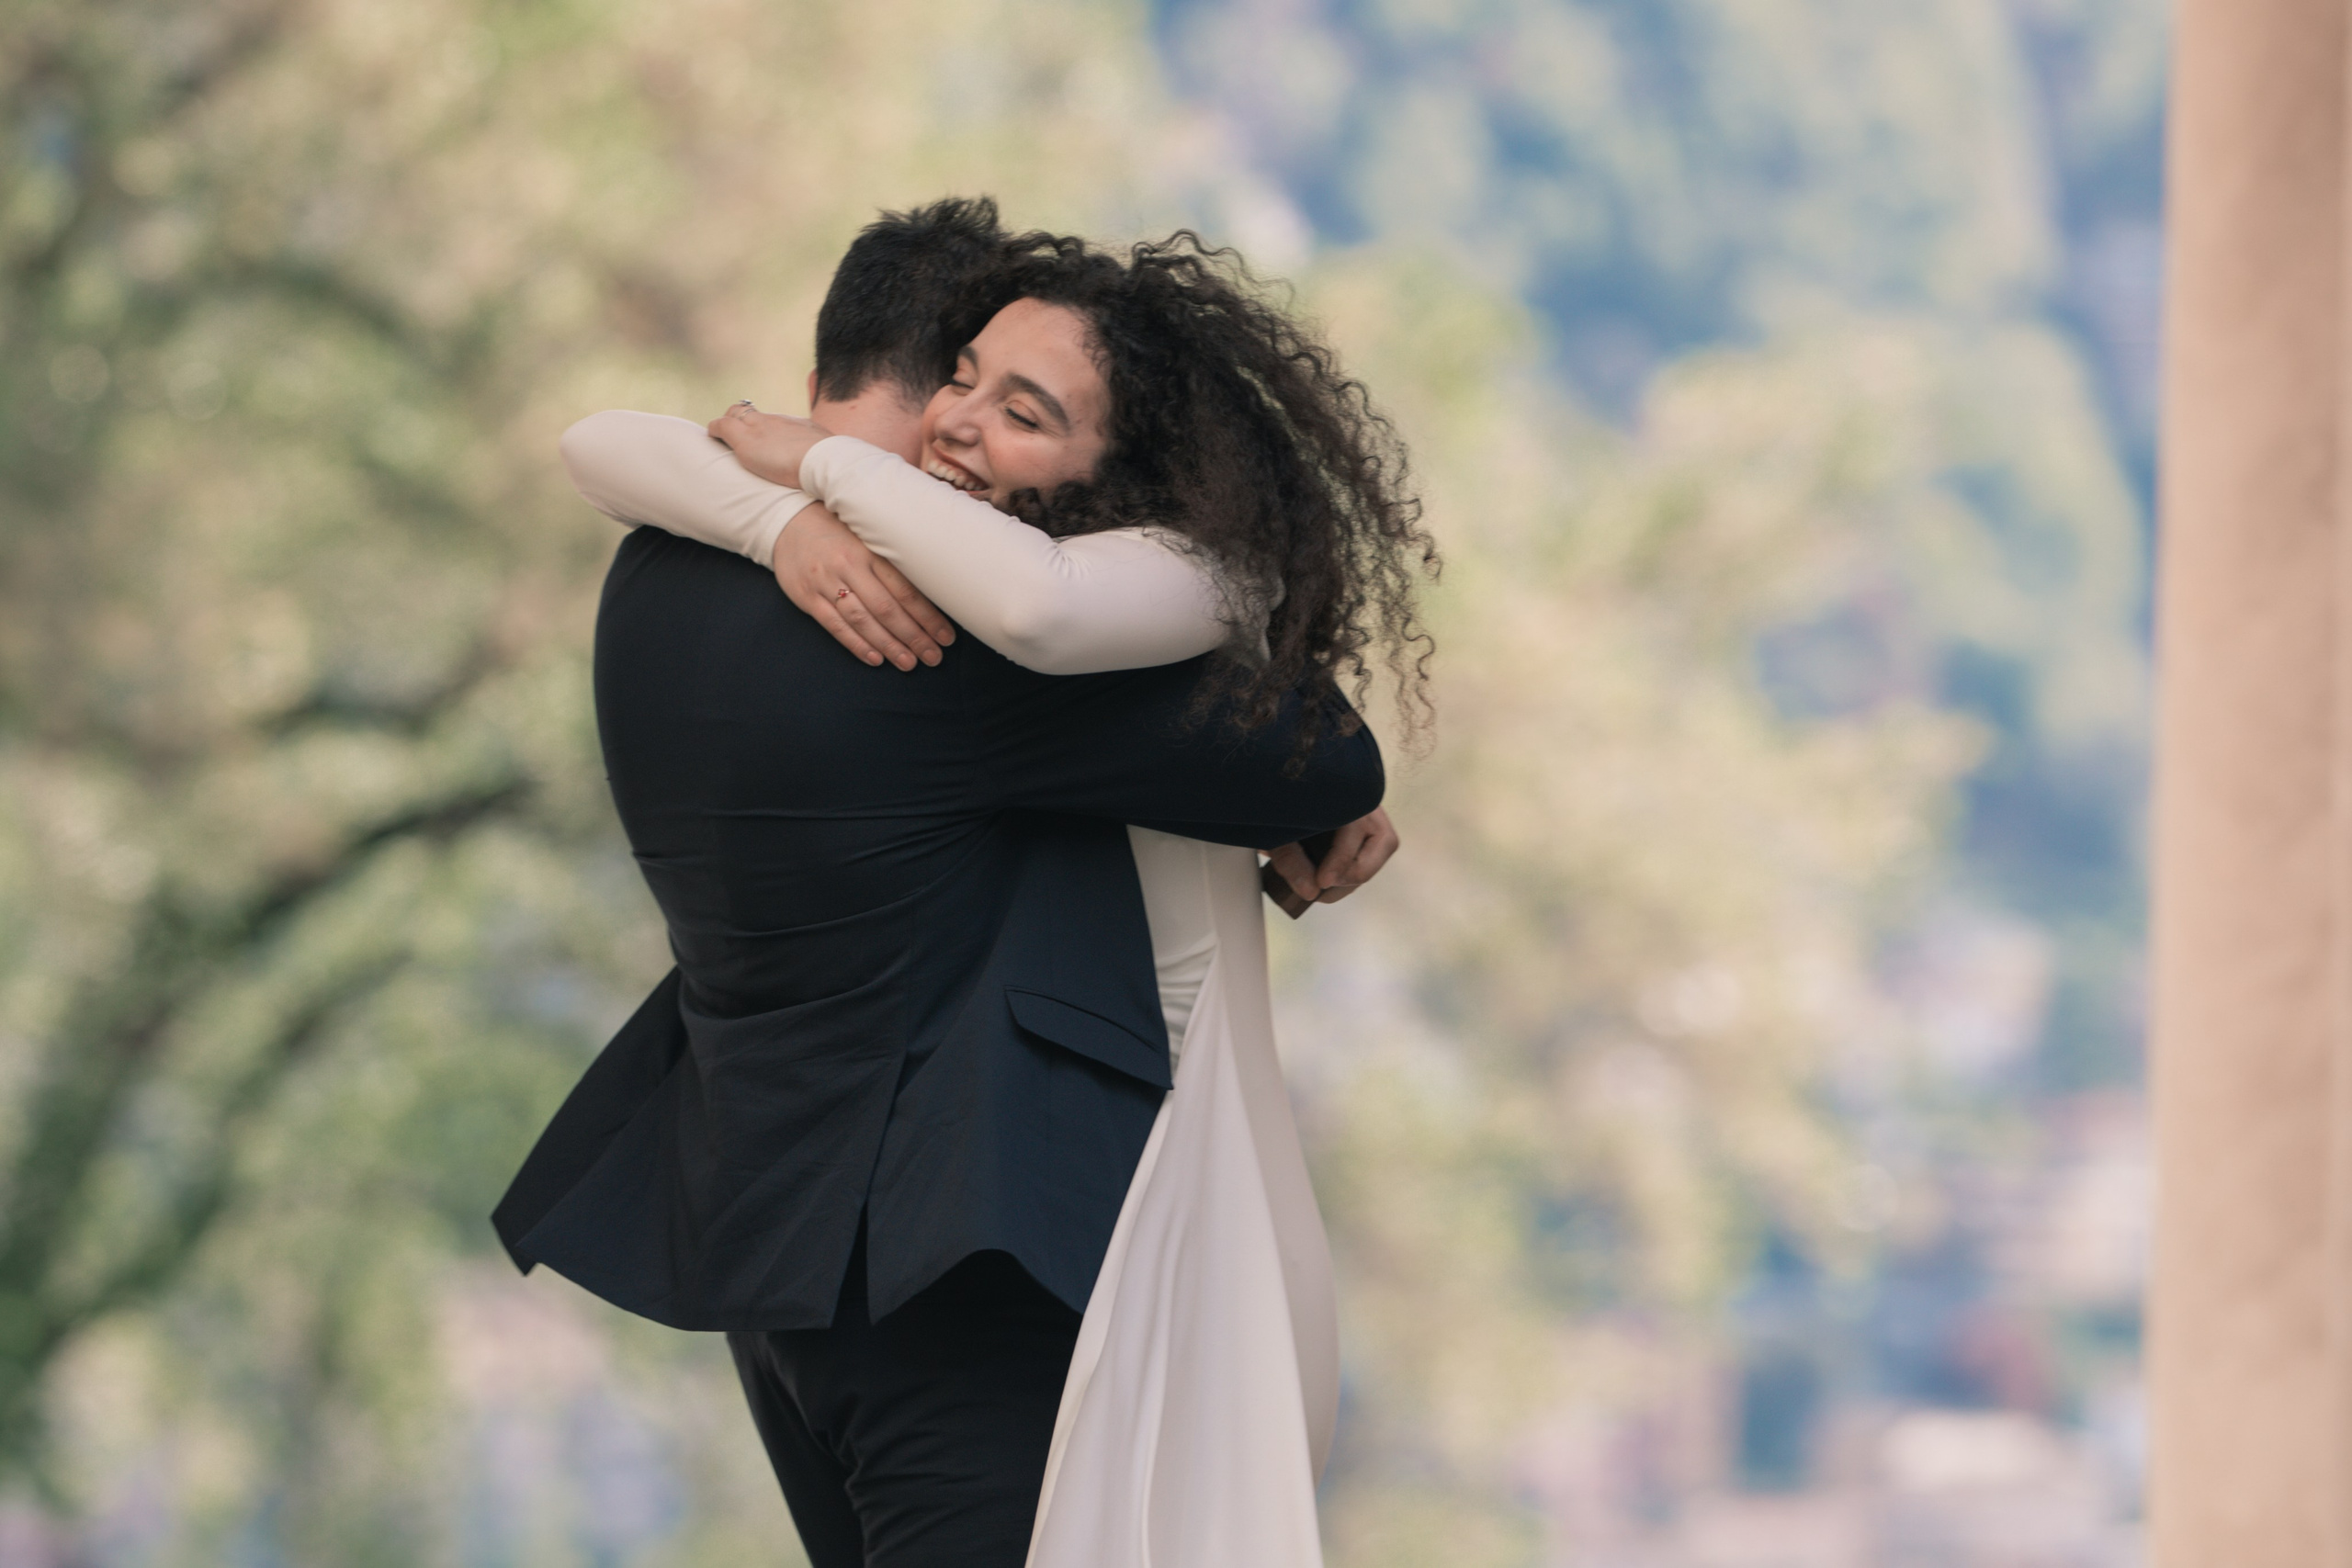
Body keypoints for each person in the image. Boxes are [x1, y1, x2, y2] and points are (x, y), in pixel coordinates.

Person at [557, 204, 1434, 1565]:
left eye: (1019, 406)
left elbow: (611, 442)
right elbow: (1313, 759)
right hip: (964, 1272)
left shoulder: (650, 581)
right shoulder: (931, 637)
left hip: (776, 1279)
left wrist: (770, 502)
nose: (963, 438)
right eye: (966, 388)